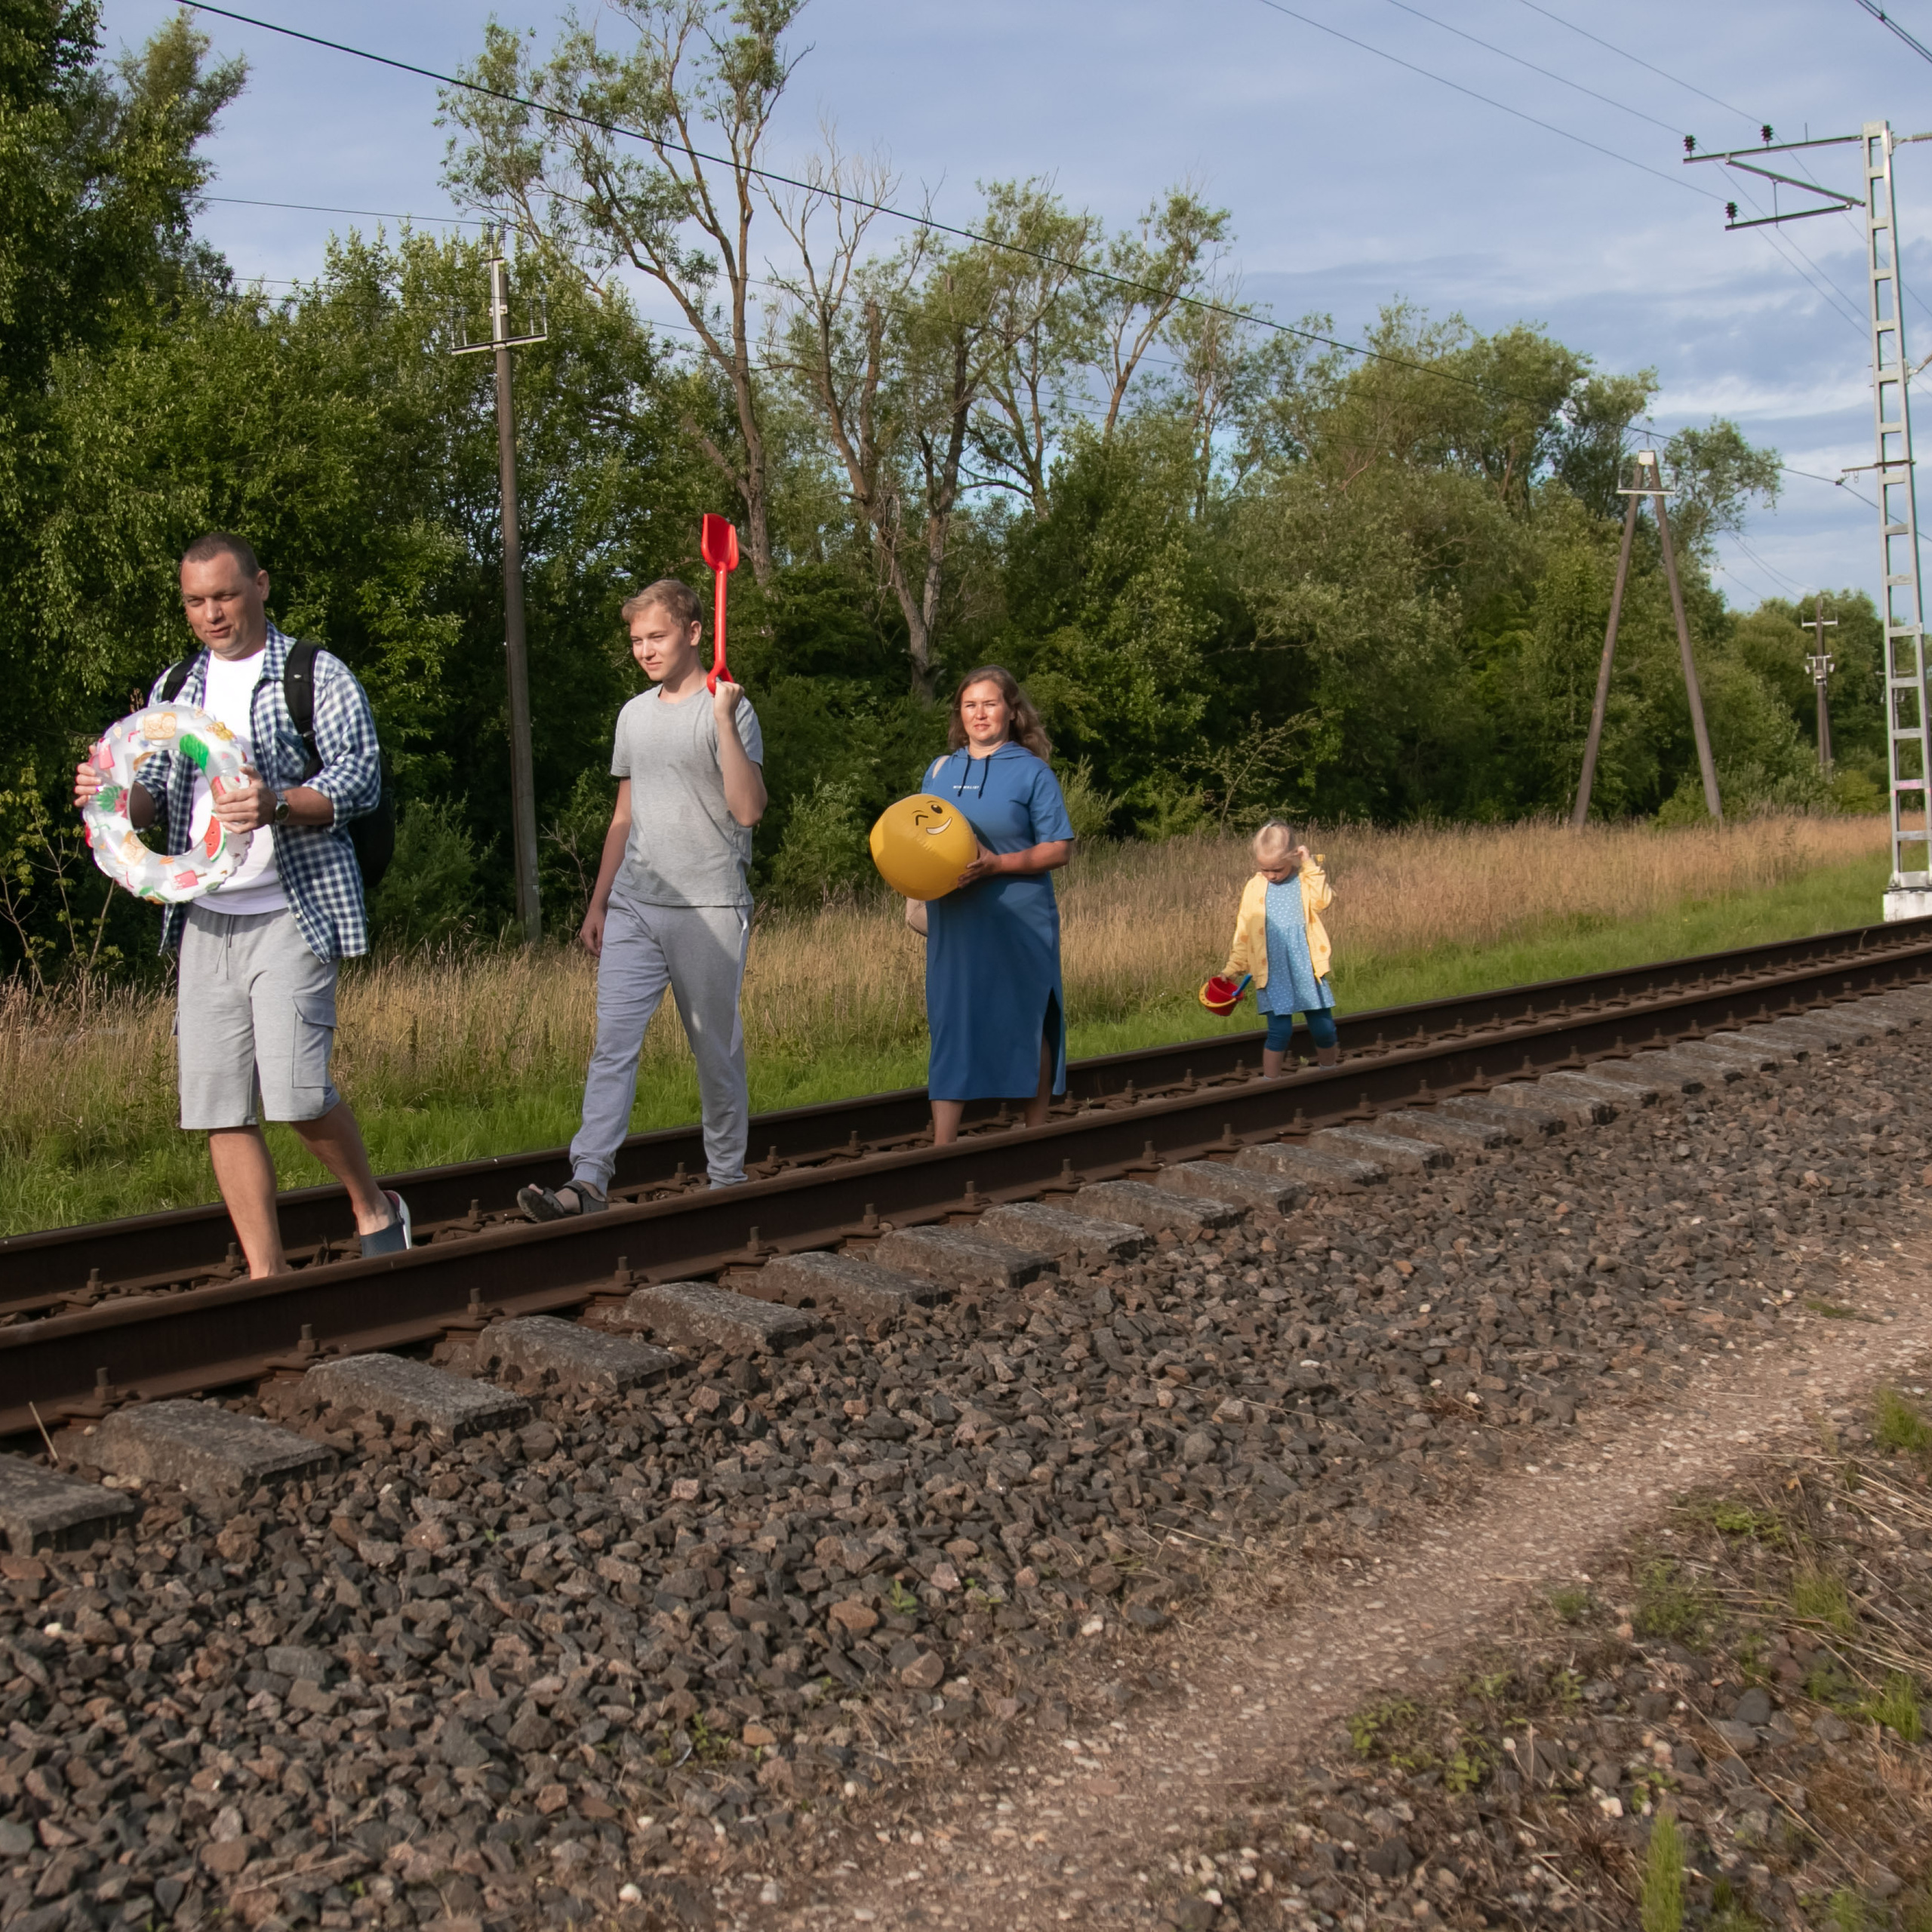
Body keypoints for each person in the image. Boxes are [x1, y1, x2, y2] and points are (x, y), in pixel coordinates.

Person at [71, 532, 410, 1276]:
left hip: (293, 904)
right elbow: (159, 792)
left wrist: (279, 802)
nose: (211, 613)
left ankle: (373, 1203)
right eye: (196, 601)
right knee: (217, 1103)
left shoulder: (312, 674)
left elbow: (359, 778)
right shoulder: (179, 683)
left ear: (259, 584)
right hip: (203, 913)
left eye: (224, 595)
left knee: (296, 1093)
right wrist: (118, 797)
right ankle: (267, 1275)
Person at [518, 579, 766, 1219]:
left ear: (692, 632)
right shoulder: (633, 715)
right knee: (613, 1044)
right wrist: (599, 902)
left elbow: (749, 808)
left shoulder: (730, 708)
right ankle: (588, 1181)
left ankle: (727, 1183)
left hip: (709, 905)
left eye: (656, 637)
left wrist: (721, 721)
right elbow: (624, 814)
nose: (645, 650)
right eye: (636, 641)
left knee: (715, 1047)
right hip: (635, 902)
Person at [919, 666, 1075, 1146]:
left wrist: (997, 864)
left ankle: (1035, 1137)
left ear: (1011, 711)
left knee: (1025, 1017)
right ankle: (943, 1148)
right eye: (970, 705)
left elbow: (1060, 849)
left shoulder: (1033, 771)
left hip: (1020, 919)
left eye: (990, 703)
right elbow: (918, 838)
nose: (980, 713)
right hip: (955, 920)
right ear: (959, 714)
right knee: (952, 1020)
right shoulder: (939, 770)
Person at [1223, 820, 1339, 1077]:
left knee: (1323, 1027)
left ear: (1294, 857)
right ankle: (1270, 1082)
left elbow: (1324, 900)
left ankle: (1330, 1071)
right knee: (1279, 1031)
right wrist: (1233, 968)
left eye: (1277, 869)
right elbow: (1244, 932)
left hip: (1306, 967)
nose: (1271, 875)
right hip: (1272, 970)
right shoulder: (1254, 888)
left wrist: (1309, 864)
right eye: (1264, 869)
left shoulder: (1304, 880)